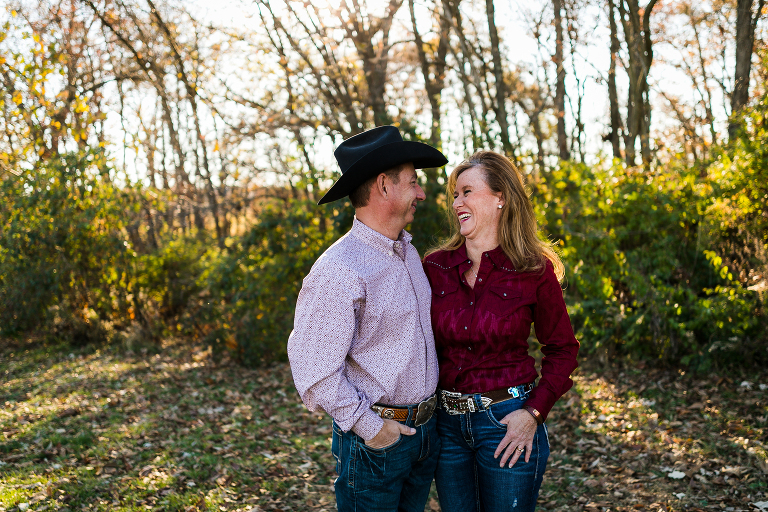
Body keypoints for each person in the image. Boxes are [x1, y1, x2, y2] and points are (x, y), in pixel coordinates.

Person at [287, 125, 448, 512]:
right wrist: (372, 429)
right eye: (413, 182)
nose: (422, 193)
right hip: (375, 444)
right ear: (384, 186)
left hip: (424, 435)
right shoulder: (339, 269)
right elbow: (314, 369)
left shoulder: (408, 254)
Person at [422, 151, 579, 512]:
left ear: (500, 198)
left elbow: (562, 349)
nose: (457, 202)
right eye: (455, 195)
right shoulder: (434, 267)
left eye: (467, 192)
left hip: (508, 421)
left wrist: (534, 413)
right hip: (447, 427)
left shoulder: (532, 268)